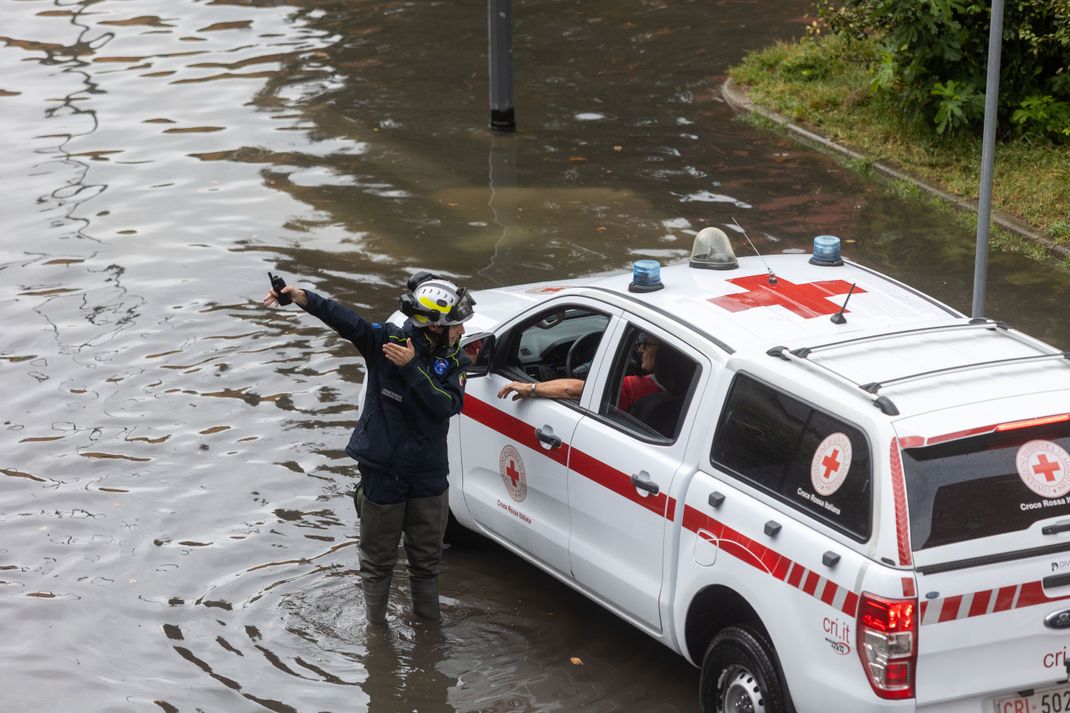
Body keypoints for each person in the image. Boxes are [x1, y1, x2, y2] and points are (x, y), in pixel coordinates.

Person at [263, 272, 475, 624]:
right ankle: (376, 637)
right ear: (434, 326)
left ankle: (428, 630)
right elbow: (346, 321)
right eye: (457, 325)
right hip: (383, 469)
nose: (463, 331)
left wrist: (412, 369)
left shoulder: (454, 361)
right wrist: (302, 297)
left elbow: (446, 405)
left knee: (427, 559)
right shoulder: (385, 341)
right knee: (377, 560)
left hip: (429, 473)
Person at [497, 333, 664, 412]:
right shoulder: (685, 386)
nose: (641, 348)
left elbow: (572, 390)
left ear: (666, 353)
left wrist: (531, 388)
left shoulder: (638, 388)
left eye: (646, 344)